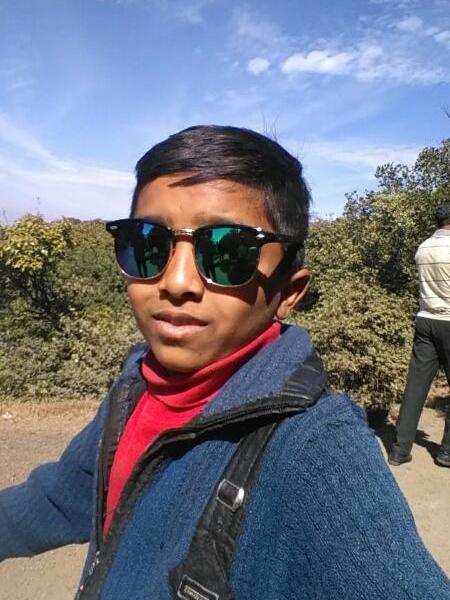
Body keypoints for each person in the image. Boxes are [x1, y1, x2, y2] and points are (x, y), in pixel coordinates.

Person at [1, 126, 449, 599]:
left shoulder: (314, 453)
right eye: (148, 243)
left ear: (288, 292)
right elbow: (68, 495)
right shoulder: (139, 384)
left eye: (227, 252)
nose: (176, 282)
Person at [389, 202, 450, 468]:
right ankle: (446, 453)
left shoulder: (423, 248)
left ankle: (399, 450)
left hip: (425, 320)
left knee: (415, 387)